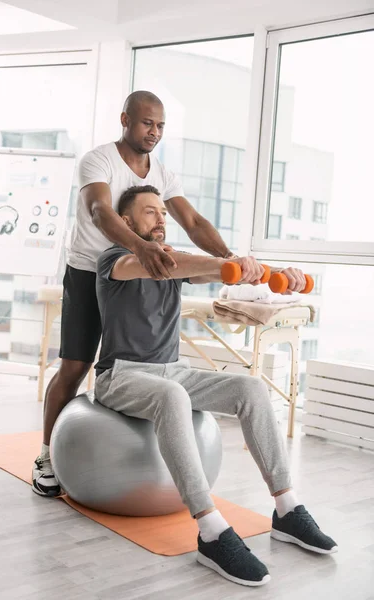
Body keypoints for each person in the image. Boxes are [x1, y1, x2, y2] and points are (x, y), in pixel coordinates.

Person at [32, 89, 307, 497]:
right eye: (146, 123)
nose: (154, 132)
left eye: (160, 125)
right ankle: (46, 456)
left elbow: (193, 222)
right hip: (94, 267)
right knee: (75, 364)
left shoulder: (161, 174)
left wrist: (233, 263)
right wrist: (140, 247)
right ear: (125, 120)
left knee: (144, 361)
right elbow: (100, 212)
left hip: (144, 266)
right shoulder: (100, 159)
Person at [94, 185, 337, 588]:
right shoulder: (116, 260)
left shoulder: (174, 264)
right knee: (173, 396)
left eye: (163, 214)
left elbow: (215, 270)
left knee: (250, 389)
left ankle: (287, 508)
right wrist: (228, 261)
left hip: (171, 369)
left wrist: (278, 274)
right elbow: (168, 265)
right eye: (150, 212)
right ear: (125, 222)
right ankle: (210, 531)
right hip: (121, 375)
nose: (160, 220)